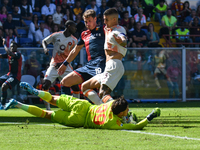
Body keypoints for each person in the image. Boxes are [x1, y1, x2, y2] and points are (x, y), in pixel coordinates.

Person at [5, 81, 161, 130]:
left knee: (52, 99)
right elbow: (136, 127)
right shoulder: (113, 123)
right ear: (120, 113)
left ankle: (35, 91)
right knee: (47, 114)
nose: (127, 112)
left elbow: (105, 96)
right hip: (79, 120)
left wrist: (103, 89)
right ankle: (17, 104)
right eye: (126, 111)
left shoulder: (112, 103)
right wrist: (150, 116)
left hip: (83, 106)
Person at [79, 8, 127, 104]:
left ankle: (125, 114)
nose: (104, 22)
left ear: (114, 20)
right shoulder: (107, 29)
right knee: (85, 86)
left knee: (103, 93)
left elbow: (123, 37)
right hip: (109, 66)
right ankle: (104, 110)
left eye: (106, 19)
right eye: (104, 19)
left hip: (114, 64)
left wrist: (122, 41)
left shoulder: (118, 29)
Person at [57, 9, 106, 100]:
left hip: (101, 64)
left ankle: (113, 111)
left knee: (101, 90)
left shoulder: (103, 29)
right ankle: (67, 108)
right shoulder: (84, 34)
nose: (87, 24)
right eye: (85, 22)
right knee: (65, 82)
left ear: (95, 19)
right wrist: (65, 64)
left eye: (89, 21)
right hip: (89, 66)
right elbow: (76, 50)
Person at [41, 20, 77, 110]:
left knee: (76, 87)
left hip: (66, 66)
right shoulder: (57, 35)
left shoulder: (74, 40)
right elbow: (44, 41)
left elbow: (74, 54)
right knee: (45, 85)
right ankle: (48, 109)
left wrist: (65, 63)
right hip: (54, 65)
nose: (75, 29)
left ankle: (77, 108)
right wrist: (45, 49)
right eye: (74, 27)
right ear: (68, 26)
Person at [0, 41, 22, 109]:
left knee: (4, 86)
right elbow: (1, 55)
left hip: (15, 76)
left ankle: (2, 105)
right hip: (9, 74)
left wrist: (4, 44)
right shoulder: (9, 54)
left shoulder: (18, 54)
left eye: (13, 46)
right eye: (11, 46)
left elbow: (9, 53)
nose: (12, 47)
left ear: (16, 48)